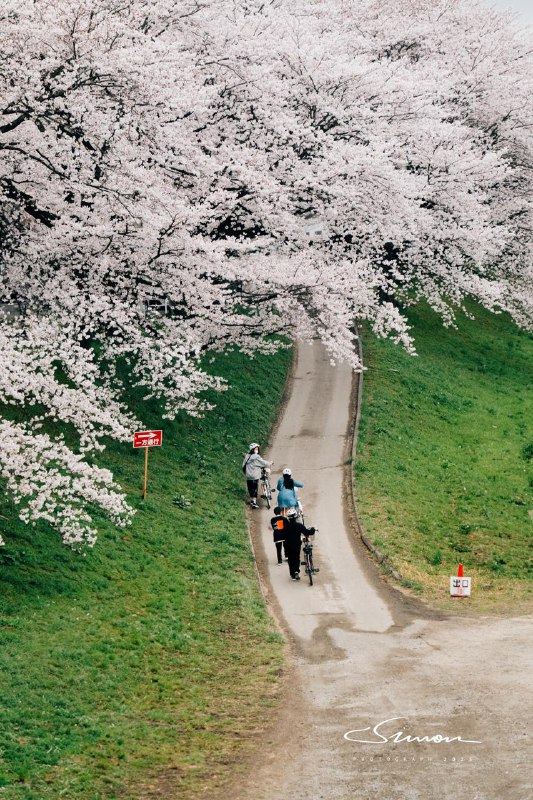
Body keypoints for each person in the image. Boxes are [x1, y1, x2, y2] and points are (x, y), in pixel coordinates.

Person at [283, 508, 316, 580]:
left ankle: (292, 575)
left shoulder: (285, 526)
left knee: (290, 559)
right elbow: (308, 532)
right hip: (296, 545)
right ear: (295, 516)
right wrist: (313, 529)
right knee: (296, 557)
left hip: (287, 545)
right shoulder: (299, 525)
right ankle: (296, 572)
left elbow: (281, 534)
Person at [242, 443, 273, 509]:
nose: (257, 450)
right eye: (256, 449)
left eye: (257, 449)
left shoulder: (247, 457)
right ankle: (254, 502)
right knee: (255, 489)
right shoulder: (256, 457)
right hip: (255, 476)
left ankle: (251, 501)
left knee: (250, 489)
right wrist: (270, 463)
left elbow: (243, 465)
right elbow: (263, 463)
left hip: (248, 476)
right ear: (252, 450)